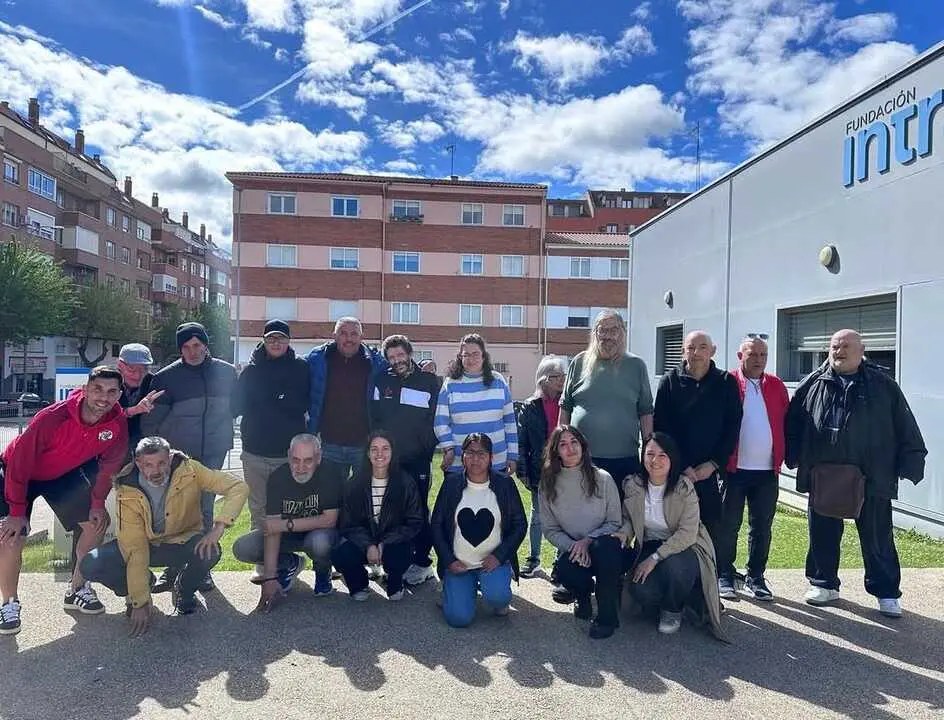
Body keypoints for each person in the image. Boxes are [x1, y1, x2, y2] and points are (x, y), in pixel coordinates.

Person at [785, 330, 926, 618]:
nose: (839, 351)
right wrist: (794, 455)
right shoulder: (813, 382)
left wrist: (910, 461)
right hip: (825, 474)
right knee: (822, 532)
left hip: (871, 475)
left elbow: (904, 424)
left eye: (846, 346)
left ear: (862, 350)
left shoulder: (883, 385)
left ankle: (885, 592)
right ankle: (824, 584)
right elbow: (793, 423)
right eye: (835, 346)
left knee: (877, 536)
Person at [0, 367, 128, 635]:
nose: (104, 397)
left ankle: (77, 588)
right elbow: (21, 463)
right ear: (85, 389)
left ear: (119, 394)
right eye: (97, 389)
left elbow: (109, 467)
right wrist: (16, 511)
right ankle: (9, 604)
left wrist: (96, 503)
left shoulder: (116, 423)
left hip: (60, 474)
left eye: (112, 391)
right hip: (18, 471)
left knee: (96, 524)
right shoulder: (53, 417)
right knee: (12, 535)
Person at [80, 437, 248, 635]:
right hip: (147, 544)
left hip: (183, 540)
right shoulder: (127, 489)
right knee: (91, 563)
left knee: (211, 551)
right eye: (148, 465)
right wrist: (139, 600)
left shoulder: (191, 469)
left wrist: (218, 528)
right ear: (139, 463)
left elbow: (238, 487)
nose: (156, 471)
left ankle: (184, 589)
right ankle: (145, 582)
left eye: (161, 463)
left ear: (169, 459)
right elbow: (135, 547)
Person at [142, 322, 237, 594]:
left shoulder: (227, 372)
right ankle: (173, 568)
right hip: (178, 456)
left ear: (205, 345)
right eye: (186, 346)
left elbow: (241, 405)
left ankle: (201, 569)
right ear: (180, 349)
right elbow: (152, 423)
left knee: (205, 510)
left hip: (213, 452)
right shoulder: (165, 378)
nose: (193, 351)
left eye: (197, 345)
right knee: (176, 512)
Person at [617, 433, 725, 638]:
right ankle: (683, 600)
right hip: (650, 543)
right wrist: (623, 533)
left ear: (672, 458)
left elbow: (687, 533)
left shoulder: (684, 487)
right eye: (650, 454)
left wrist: (654, 559)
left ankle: (673, 609)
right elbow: (630, 519)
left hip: (686, 546)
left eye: (662, 455)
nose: (655, 460)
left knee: (675, 566)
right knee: (641, 590)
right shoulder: (633, 485)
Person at [233, 319, 310, 582]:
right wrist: (277, 398)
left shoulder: (300, 368)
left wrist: (270, 399)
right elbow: (236, 406)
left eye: (281, 338)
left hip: (287, 455)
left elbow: (300, 402)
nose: (276, 342)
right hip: (254, 451)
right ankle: (265, 561)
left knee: (289, 509)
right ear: (264, 340)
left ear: (289, 341)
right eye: (271, 338)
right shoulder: (250, 372)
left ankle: (288, 558)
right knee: (259, 508)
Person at [653, 330, 742, 549]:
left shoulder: (726, 382)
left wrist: (713, 464)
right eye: (691, 348)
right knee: (674, 528)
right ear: (683, 352)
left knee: (711, 532)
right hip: (676, 472)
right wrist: (681, 466)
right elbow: (661, 429)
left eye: (702, 347)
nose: (696, 353)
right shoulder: (669, 381)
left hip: (710, 474)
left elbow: (733, 427)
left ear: (713, 351)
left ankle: (708, 578)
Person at [233, 433, 343, 609]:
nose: (300, 467)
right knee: (243, 547)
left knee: (319, 542)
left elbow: (330, 520)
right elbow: (272, 528)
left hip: (319, 533)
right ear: (288, 455)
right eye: (295, 459)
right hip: (288, 537)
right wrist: (269, 578)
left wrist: (286, 524)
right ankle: (289, 562)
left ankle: (323, 571)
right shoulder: (279, 477)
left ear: (319, 458)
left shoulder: (330, 474)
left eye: (308, 460)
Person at [717, 336, 789, 601]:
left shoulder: (777, 386)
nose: (758, 359)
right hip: (734, 469)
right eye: (753, 354)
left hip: (767, 472)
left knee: (762, 527)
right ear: (740, 355)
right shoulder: (727, 383)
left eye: (763, 354)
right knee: (728, 525)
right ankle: (724, 574)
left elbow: (787, 421)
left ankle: (755, 577)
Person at [431, 433, 527, 628]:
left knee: (498, 598)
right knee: (458, 619)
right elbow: (436, 525)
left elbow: (519, 524)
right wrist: (449, 561)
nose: (475, 459)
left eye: (481, 454)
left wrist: (499, 557)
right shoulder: (451, 484)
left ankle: (489, 591)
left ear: (491, 457)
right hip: (460, 566)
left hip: (492, 564)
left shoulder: (505, 484)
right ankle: (455, 589)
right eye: (470, 453)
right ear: (463, 456)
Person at [539, 426, 623, 639]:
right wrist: (574, 547)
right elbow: (549, 529)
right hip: (575, 550)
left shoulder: (603, 478)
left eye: (574, 442)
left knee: (607, 549)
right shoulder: (548, 484)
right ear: (556, 451)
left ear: (583, 446)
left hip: (604, 546)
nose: (570, 448)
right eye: (563, 444)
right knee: (565, 570)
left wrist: (588, 541)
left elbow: (615, 522)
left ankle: (606, 617)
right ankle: (582, 597)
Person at [370, 335, 440, 587]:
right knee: (390, 511)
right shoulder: (382, 380)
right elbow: (375, 419)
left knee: (418, 510)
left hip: (419, 460)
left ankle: (422, 563)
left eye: (400, 355)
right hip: (390, 462)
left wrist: (426, 446)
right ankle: (393, 562)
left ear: (409, 353)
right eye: (392, 357)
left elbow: (437, 419)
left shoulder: (429, 381)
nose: (397, 361)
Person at [559, 310, 653, 496]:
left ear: (623, 333)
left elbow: (645, 412)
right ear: (594, 334)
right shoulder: (579, 363)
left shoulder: (636, 366)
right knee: (585, 517)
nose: (607, 336)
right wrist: (561, 448)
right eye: (602, 330)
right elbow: (565, 408)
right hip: (582, 459)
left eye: (614, 330)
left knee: (623, 516)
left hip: (625, 460)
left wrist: (649, 453)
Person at [332, 432, 423, 601]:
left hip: (392, 542)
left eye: (385, 448)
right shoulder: (354, 483)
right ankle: (358, 583)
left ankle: (395, 581)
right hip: (363, 542)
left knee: (401, 554)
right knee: (341, 553)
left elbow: (414, 522)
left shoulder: (405, 482)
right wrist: (368, 545)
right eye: (374, 449)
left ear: (393, 452)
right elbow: (347, 524)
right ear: (367, 454)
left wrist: (384, 543)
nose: (379, 454)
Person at [306, 317, 387, 480]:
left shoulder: (375, 362)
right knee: (332, 497)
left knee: (362, 496)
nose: (349, 339)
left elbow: (399, 364)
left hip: (363, 444)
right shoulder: (318, 359)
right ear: (334, 335)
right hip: (329, 444)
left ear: (361, 337)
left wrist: (423, 367)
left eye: (354, 334)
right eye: (343, 333)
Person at [434, 334, 518, 477]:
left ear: (484, 357)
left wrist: (512, 455)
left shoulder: (498, 381)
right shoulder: (450, 384)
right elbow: (440, 423)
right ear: (460, 358)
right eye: (466, 355)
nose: (471, 359)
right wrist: (448, 449)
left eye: (475, 354)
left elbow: (509, 422)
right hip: (460, 463)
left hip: (496, 462)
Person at [516, 355, 567, 577]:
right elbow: (522, 442)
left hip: (565, 468)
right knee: (538, 516)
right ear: (544, 379)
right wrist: (523, 472)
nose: (562, 381)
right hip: (539, 470)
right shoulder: (530, 406)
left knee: (562, 516)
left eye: (563, 377)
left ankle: (558, 563)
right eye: (557, 377)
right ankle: (533, 559)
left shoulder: (568, 403)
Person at [117, 343, 163, 450]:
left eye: (144, 369)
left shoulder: (155, 383)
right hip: (111, 443)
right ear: (120, 365)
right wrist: (134, 410)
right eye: (131, 369)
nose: (138, 376)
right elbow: (103, 415)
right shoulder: (108, 382)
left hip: (146, 446)